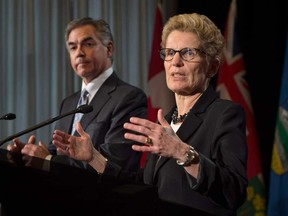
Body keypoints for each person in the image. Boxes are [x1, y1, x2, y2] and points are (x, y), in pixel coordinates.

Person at [52, 13, 248, 215]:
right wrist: (94, 158)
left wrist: (182, 152)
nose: (176, 61)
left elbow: (234, 191)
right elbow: (142, 188)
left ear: (213, 65)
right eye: (170, 52)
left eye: (188, 53)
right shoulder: (166, 121)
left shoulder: (224, 114)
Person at [6, 17, 147, 173]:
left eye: (88, 44)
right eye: (73, 47)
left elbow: (115, 163)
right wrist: (28, 156)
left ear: (109, 49)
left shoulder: (129, 98)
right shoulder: (69, 102)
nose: (79, 53)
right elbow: (57, 151)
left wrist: (48, 161)